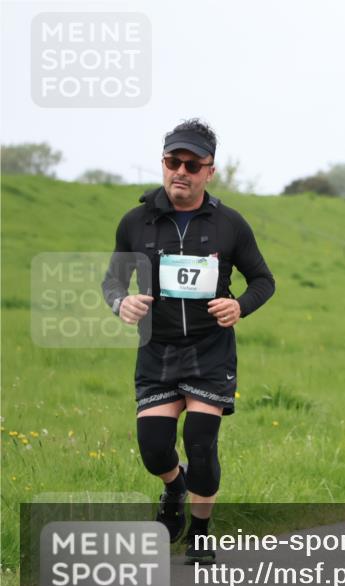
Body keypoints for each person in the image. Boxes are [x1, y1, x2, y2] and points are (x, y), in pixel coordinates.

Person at [102, 119, 275, 562]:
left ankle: (200, 530)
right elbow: (113, 281)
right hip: (156, 349)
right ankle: (173, 486)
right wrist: (121, 303)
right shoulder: (135, 222)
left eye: (192, 164)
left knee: (200, 439)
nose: (181, 171)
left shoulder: (229, 225)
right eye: (172, 161)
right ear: (163, 163)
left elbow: (262, 281)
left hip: (209, 350)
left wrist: (239, 307)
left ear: (209, 170)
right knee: (154, 447)